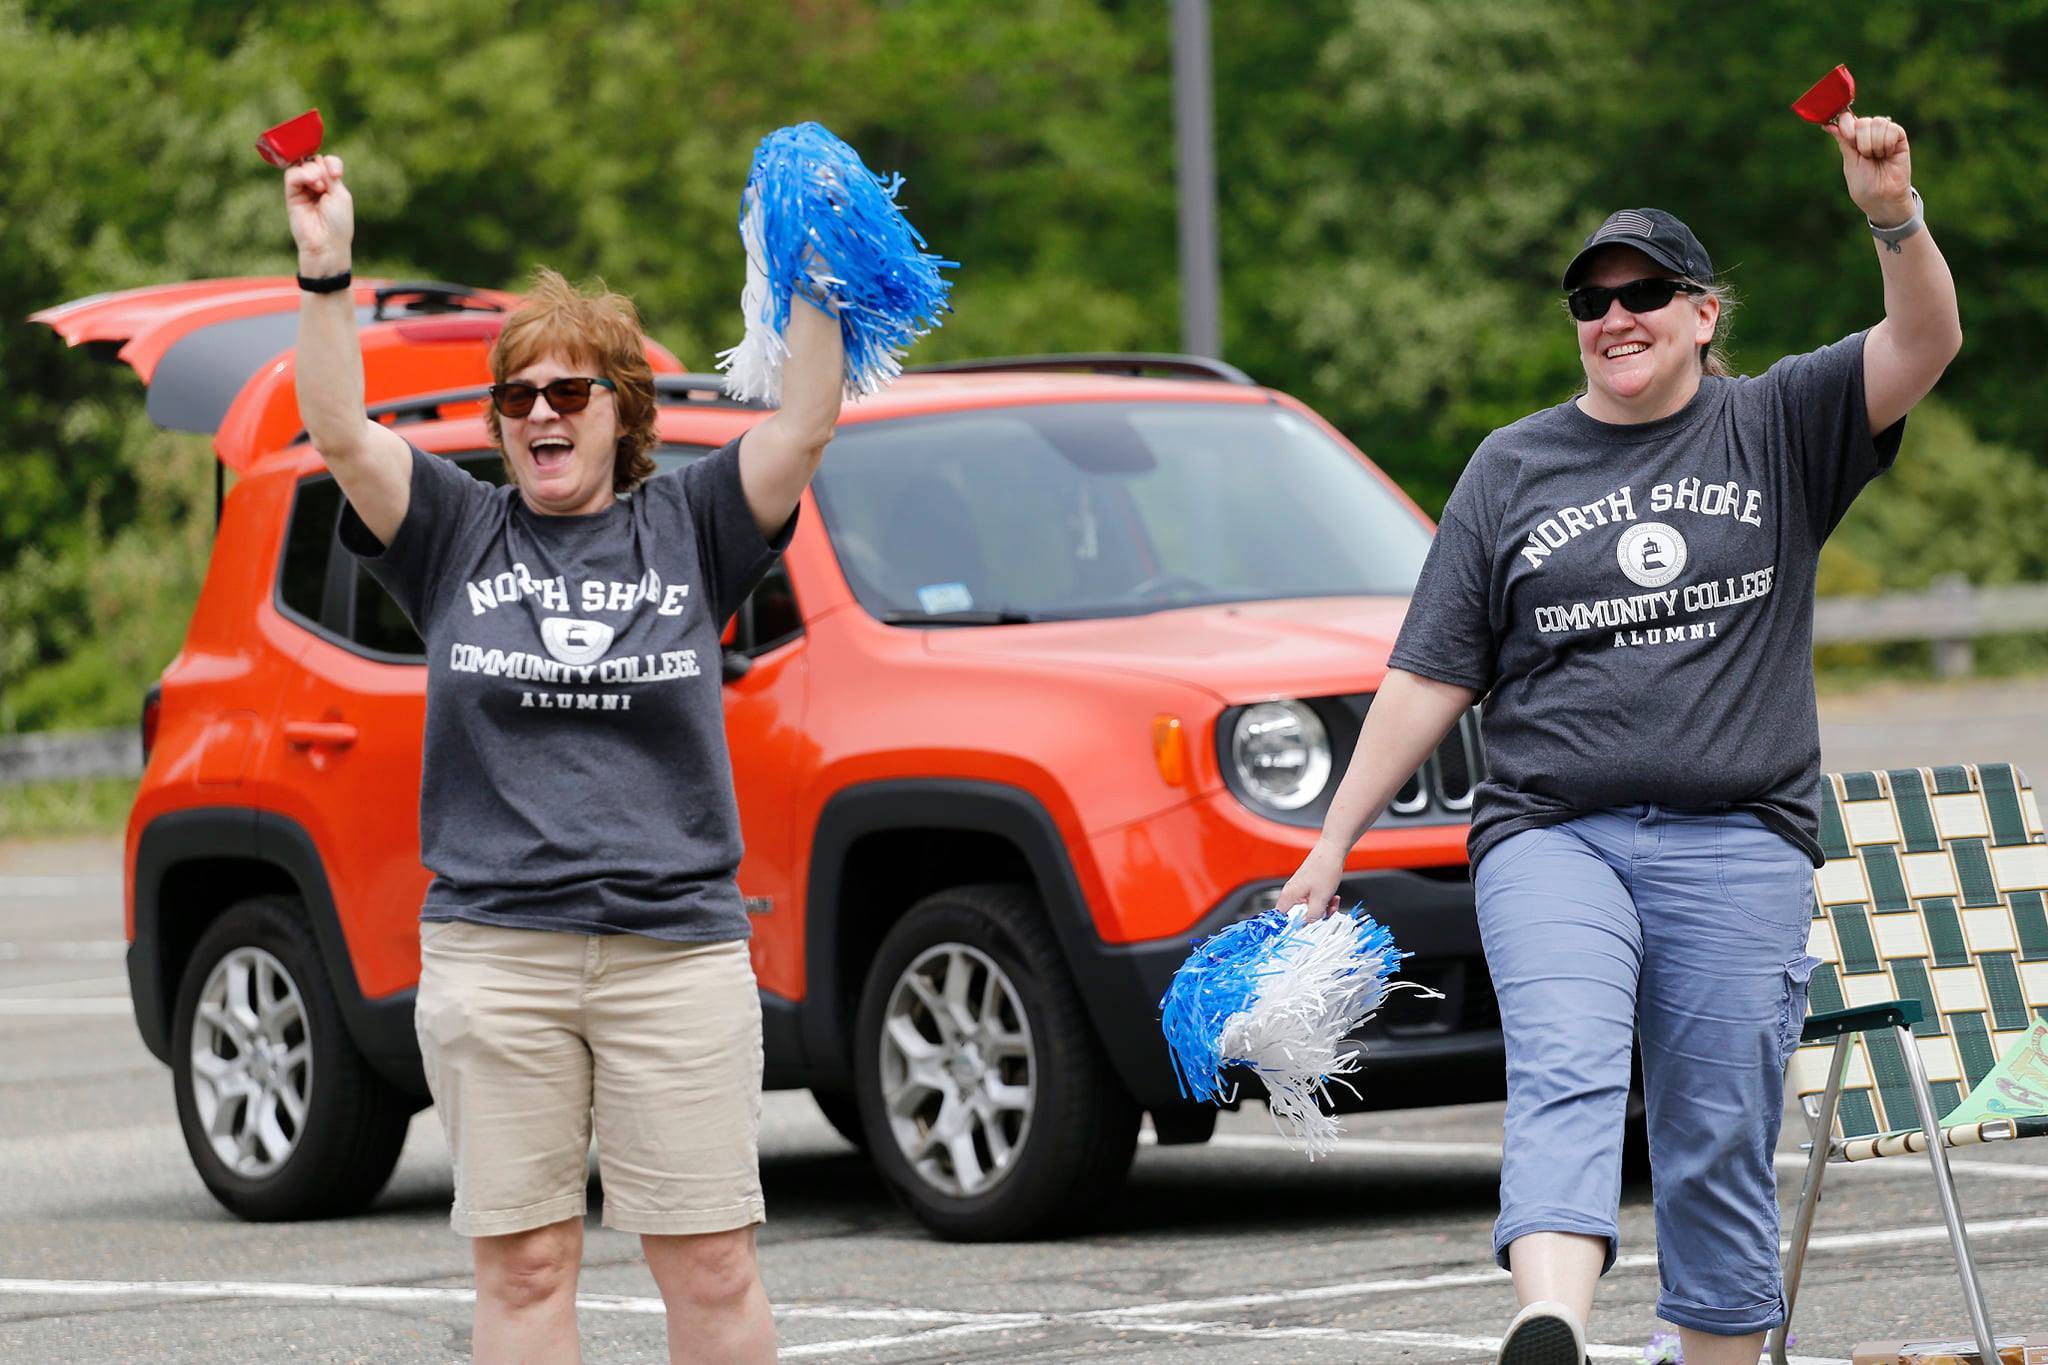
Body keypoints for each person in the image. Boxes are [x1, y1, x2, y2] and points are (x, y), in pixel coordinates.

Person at [1277, 105, 1960, 1365]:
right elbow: (1429, 674)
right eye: (1589, 301)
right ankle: (1548, 1325)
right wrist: (1329, 842)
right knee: (1566, 1064)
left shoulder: (1779, 425)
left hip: (1740, 838)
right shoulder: (1508, 469)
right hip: (1551, 834)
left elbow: (1923, 339)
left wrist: (1889, 215)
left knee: (1715, 1134)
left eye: (1645, 291)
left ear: (1704, 313)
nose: (1614, 317)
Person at [285, 147, 843, 1364]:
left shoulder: (692, 523)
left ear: (622, 412)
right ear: (498, 420)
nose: (542, 410)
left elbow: (801, 427)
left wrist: (811, 269)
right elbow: (335, 426)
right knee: (527, 1268)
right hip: (497, 956)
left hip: (675, 956)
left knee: (708, 1263)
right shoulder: (452, 531)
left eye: (572, 392)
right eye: (520, 395)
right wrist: (325, 272)